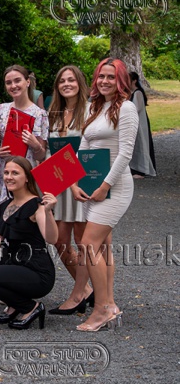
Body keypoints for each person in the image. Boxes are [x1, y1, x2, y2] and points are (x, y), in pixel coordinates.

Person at [72, 58, 139, 331]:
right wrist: (75, 182)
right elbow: (83, 148)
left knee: (88, 243)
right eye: (101, 76)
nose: (105, 81)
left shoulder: (127, 108)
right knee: (101, 246)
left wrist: (106, 186)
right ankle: (110, 304)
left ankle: (101, 309)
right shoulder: (95, 107)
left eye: (111, 77)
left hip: (115, 185)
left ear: (121, 80)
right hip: (92, 185)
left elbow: (125, 153)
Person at [0, 157, 58, 330]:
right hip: (15, 264)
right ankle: (14, 304)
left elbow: (52, 239)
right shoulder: (6, 205)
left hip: (36, 271)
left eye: (15, 173)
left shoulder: (38, 205)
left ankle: (30, 307)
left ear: (27, 177)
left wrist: (48, 212)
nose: (9, 177)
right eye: (6, 172)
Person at [45, 66, 94, 315]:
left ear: (80, 83)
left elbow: (93, 150)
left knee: (83, 241)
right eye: (62, 80)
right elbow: (50, 151)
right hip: (60, 182)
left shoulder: (91, 111)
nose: (66, 84)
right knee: (59, 240)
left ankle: (84, 293)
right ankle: (86, 290)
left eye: (71, 80)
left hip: (82, 183)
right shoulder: (53, 113)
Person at [0, 65, 49, 203]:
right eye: (9, 82)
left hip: (25, 171)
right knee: (2, 210)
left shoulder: (40, 114)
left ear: (27, 82)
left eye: (17, 80)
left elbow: (41, 156)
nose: (13, 86)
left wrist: (36, 145)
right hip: (4, 169)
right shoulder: (1, 109)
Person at [128, 72, 156, 178]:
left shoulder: (138, 93)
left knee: (141, 144)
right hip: (133, 122)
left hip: (139, 123)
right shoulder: (130, 93)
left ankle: (141, 170)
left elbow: (136, 108)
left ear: (134, 81)